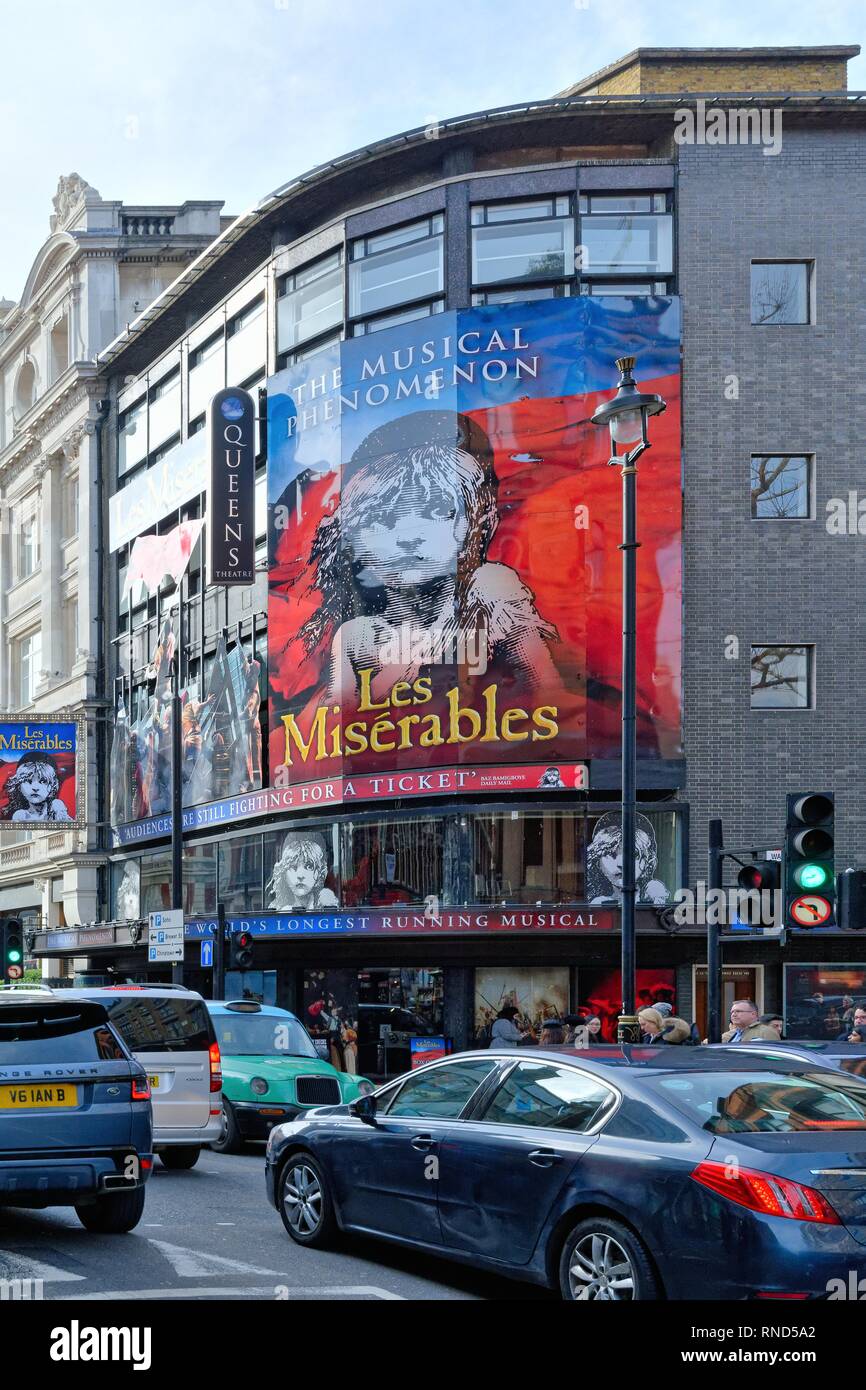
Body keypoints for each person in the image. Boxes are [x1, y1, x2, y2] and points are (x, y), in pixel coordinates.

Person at [298, 410, 564, 706]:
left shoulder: (490, 593)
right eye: (382, 518)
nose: (408, 535)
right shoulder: (357, 638)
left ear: (481, 522)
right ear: (353, 538)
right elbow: (334, 725)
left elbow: (551, 699)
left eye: (437, 510)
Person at [586, 811, 669, 905]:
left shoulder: (655, 893)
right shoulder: (597, 902)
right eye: (611, 854)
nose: (621, 864)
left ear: (648, 860)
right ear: (597, 860)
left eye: (633, 855)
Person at [268, 831, 339, 911]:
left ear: (319, 872)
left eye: (309, 866)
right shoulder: (278, 909)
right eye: (293, 867)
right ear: (284, 874)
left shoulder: (327, 903)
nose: (300, 875)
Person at [3, 752, 72, 823]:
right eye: (28, 781)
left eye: (43, 781)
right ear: (19, 785)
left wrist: (60, 812)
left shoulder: (57, 808)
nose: (35, 788)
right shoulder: (20, 816)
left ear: (53, 785)